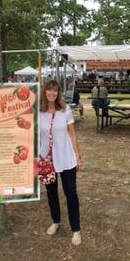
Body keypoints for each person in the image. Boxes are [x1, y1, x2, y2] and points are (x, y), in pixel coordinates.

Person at [40, 79, 82, 246]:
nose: (52, 93)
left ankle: (76, 230)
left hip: (66, 157)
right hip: (47, 160)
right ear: (44, 92)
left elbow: (72, 134)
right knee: (51, 193)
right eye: (49, 90)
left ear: (58, 93)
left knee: (70, 193)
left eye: (55, 90)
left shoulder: (65, 110)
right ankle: (56, 221)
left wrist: (78, 156)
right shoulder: (38, 112)